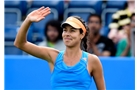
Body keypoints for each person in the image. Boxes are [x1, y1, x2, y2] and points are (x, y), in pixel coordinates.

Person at [14, 6, 106, 90]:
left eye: (72, 31)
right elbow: (20, 44)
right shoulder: (53, 55)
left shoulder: (92, 60)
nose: (67, 34)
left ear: (82, 34)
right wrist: (28, 20)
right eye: (65, 30)